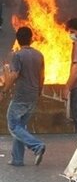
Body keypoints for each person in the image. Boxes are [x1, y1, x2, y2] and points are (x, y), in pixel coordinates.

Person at [2, 27, 46, 167]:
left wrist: (4, 91)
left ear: (18, 40)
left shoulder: (18, 56)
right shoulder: (39, 55)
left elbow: (14, 75)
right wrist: (38, 92)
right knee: (21, 126)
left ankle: (36, 146)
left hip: (21, 96)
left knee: (13, 125)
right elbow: (42, 77)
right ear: (31, 39)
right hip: (33, 96)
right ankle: (17, 159)